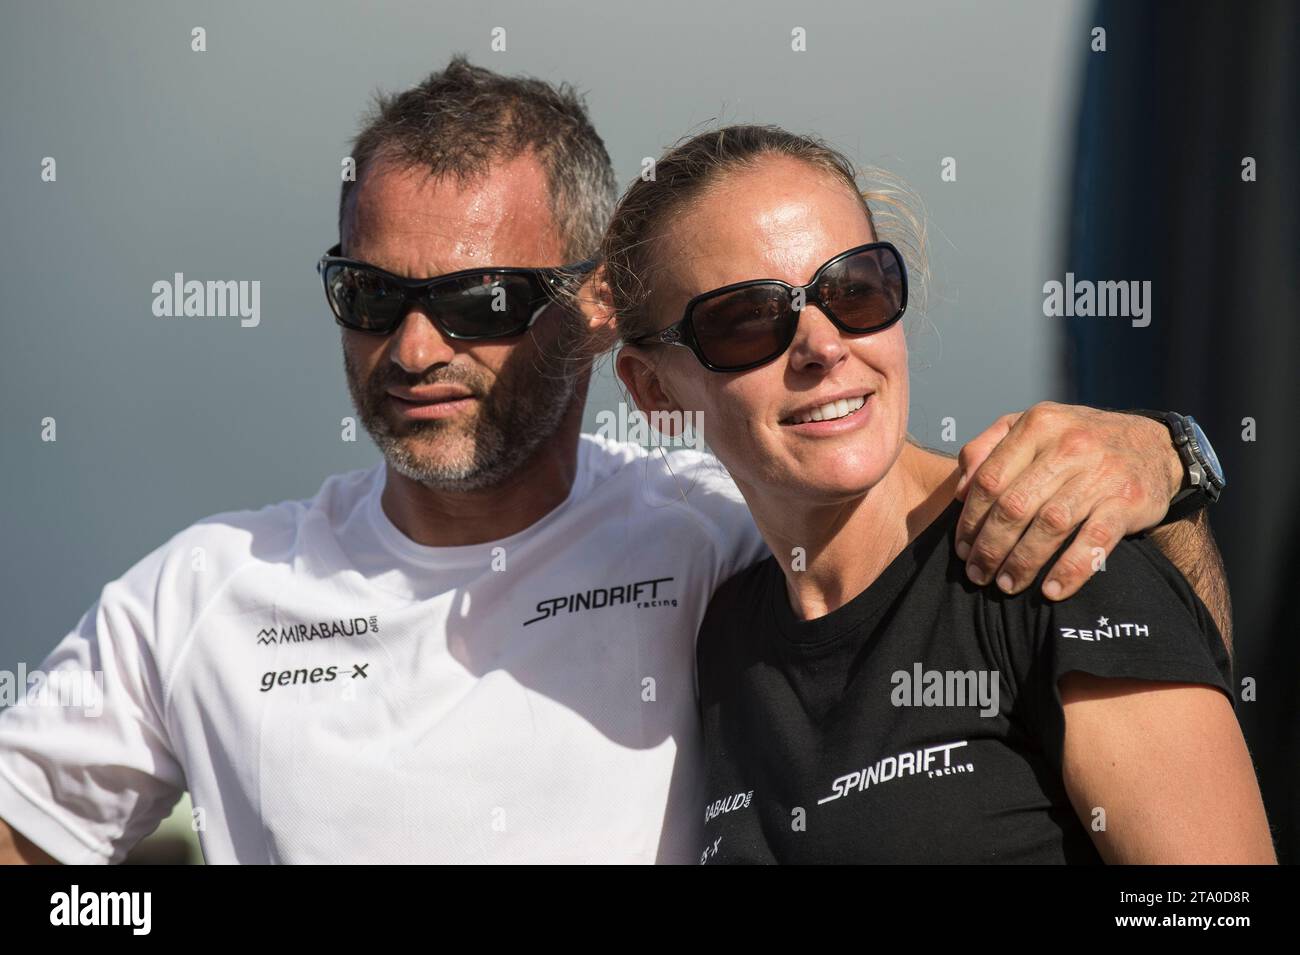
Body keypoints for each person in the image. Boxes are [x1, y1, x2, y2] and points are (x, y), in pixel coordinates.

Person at [0, 60, 1232, 865]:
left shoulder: (720, 529)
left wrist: (1162, 459)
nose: (416, 344)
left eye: (482, 298)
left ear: (591, 320)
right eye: (370, 293)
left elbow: (942, 513)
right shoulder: (200, 593)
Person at [600, 124, 1274, 863]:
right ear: (656, 390)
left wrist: (1175, 460)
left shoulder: (1048, 548)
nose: (824, 346)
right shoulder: (722, 643)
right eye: (749, 319)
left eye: (853, 289)